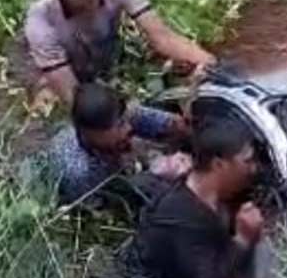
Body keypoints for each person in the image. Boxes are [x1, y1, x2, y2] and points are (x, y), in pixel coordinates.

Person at [23, 0, 215, 104]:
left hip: (104, 57)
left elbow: (162, 38)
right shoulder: (41, 21)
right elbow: (74, 98)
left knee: (185, 70)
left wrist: (215, 68)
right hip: (61, 70)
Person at [134, 117, 266, 278]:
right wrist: (243, 238)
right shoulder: (180, 217)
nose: (254, 168)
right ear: (219, 164)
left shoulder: (210, 192)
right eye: (247, 161)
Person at [45, 81, 191, 205]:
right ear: (91, 133)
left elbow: (174, 125)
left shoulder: (117, 115)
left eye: (124, 121)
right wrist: (158, 172)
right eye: (120, 125)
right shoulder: (80, 172)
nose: (128, 128)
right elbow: (104, 212)